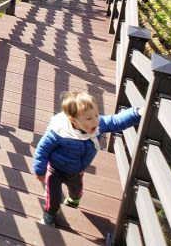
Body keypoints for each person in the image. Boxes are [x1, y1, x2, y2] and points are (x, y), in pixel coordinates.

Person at [32, 91, 141, 226]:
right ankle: (50, 215)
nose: (95, 121)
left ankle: (73, 199)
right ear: (73, 120)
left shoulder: (97, 125)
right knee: (53, 196)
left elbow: (115, 121)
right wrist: (39, 169)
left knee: (76, 190)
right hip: (55, 169)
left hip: (76, 171)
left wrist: (136, 114)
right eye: (89, 118)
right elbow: (43, 149)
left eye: (96, 115)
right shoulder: (58, 131)